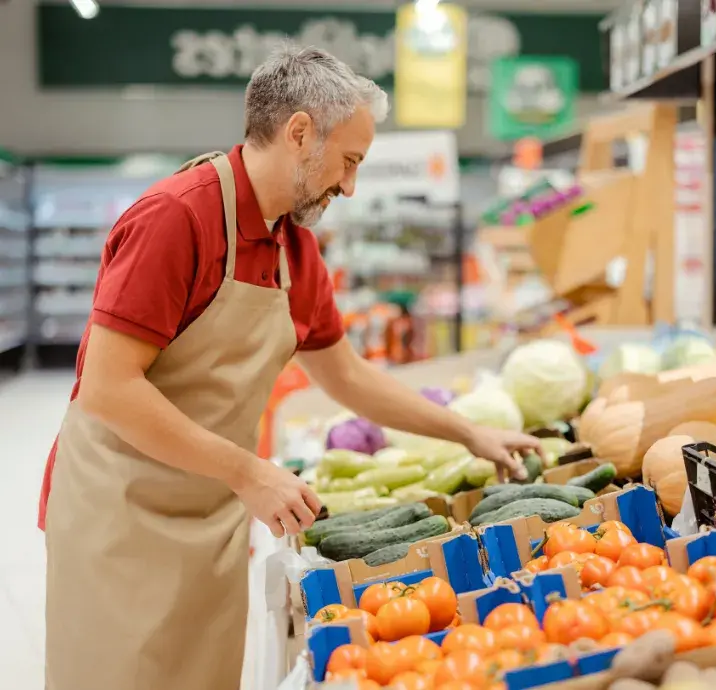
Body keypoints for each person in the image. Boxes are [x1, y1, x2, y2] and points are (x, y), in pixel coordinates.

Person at [40, 46, 542, 690]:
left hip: (210, 515)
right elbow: (108, 389)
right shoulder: (178, 218)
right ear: (299, 132)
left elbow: (349, 377)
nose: (350, 186)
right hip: (119, 515)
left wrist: (469, 433)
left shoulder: (295, 250)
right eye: (349, 162)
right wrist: (247, 470)